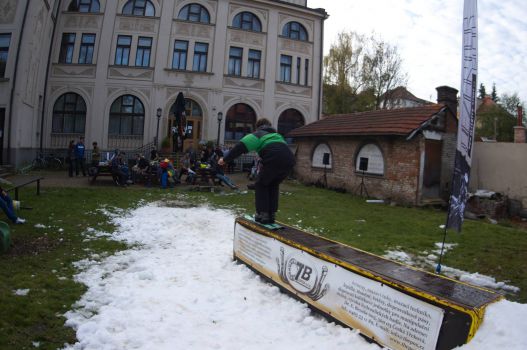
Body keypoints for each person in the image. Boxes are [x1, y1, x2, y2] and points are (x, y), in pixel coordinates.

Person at [219, 118, 295, 224]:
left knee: (261, 184)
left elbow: (239, 147)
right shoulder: (277, 135)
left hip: (274, 159)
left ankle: (262, 214)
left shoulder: (258, 134)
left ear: (257, 127)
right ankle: (271, 214)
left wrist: (224, 159)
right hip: (289, 160)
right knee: (272, 184)